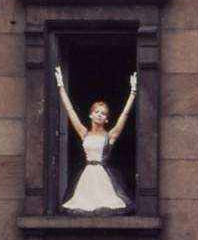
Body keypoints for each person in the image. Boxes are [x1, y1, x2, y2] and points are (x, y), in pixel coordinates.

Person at [53, 67, 137, 214]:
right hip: (87, 178)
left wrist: (133, 92)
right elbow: (70, 111)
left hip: (103, 177)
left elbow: (125, 114)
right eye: (96, 112)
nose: (99, 115)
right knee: (83, 206)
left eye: (103, 113)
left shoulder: (110, 135)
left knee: (105, 206)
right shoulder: (84, 133)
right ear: (91, 115)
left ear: (106, 119)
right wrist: (60, 86)